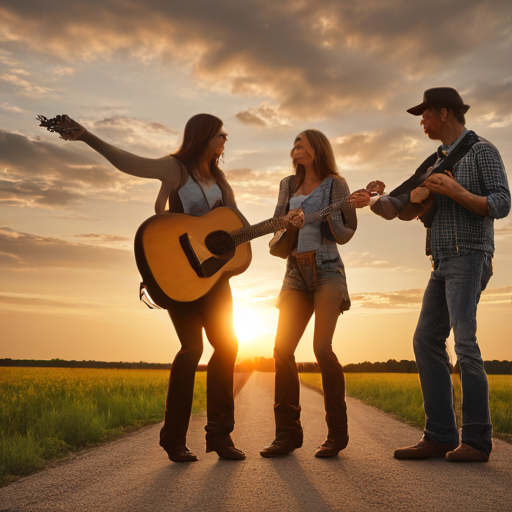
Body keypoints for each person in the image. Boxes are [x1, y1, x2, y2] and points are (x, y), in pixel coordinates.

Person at [39, 113, 247, 462]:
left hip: (214, 279)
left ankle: (221, 437)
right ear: (204, 136)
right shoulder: (175, 169)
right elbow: (129, 163)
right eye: (220, 134)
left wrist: (283, 224)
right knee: (191, 349)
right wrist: (87, 136)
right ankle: (174, 439)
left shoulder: (222, 182)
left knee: (227, 347)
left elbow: (235, 227)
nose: (225, 139)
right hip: (178, 275)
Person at [350, 87, 510, 462]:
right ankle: (439, 435)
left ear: (443, 113)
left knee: (465, 344)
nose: (421, 121)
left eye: (424, 114)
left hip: (470, 256)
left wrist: (455, 190)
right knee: (425, 340)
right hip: (440, 261)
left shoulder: (483, 150)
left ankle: (476, 440)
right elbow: (399, 207)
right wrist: (372, 199)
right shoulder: (432, 162)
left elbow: (502, 203)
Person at [260, 129, 357, 458]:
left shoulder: (335, 184)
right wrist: (289, 222)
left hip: (328, 269)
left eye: (300, 144)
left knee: (321, 349)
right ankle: (287, 434)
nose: (295, 149)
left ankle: (337, 434)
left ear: (316, 149)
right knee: (282, 349)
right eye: (294, 145)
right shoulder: (288, 185)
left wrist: (326, 217)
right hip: (294, 273)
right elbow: (275, 224)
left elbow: (346, 231)